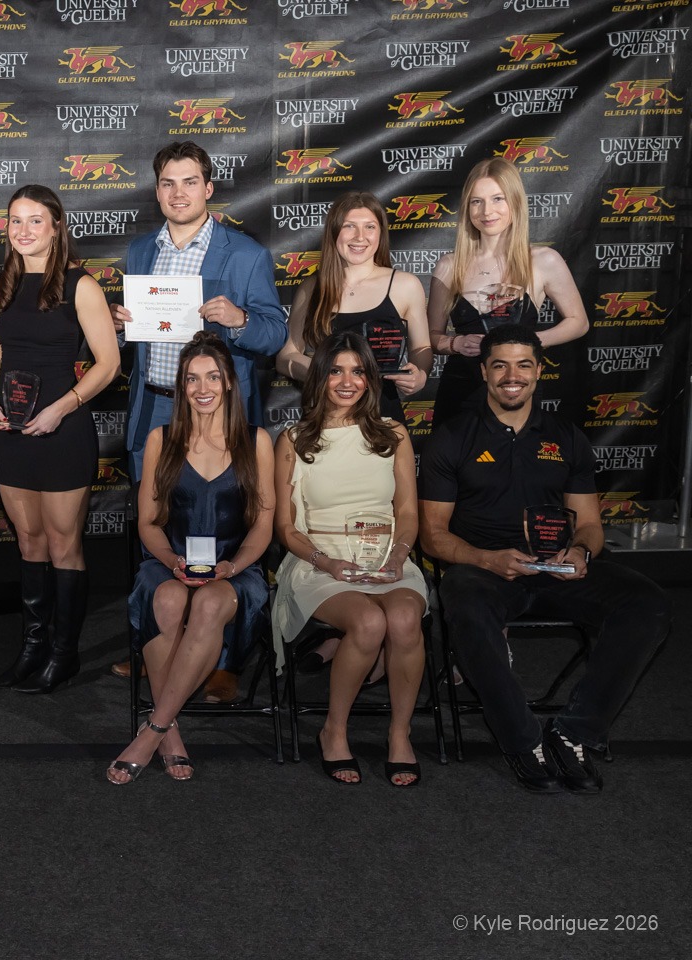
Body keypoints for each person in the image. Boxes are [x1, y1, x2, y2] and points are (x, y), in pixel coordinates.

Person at [419, 324, 668, 793]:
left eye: (523, 365)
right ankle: (523, 740)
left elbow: (591, 525)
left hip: (556, 572)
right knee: (465, 606)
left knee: (648, 603)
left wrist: (579, 551)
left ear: (538, 371)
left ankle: (574, 733)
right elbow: (432, 536)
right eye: (500, 365)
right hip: (484, 571)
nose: (512, 376)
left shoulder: (565, 437)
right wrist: (486, 559)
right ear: (484, 372)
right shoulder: (451, 439)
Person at [108, 334, 274, 784]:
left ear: (229, 383)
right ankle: (173, 733)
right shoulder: (162, 439)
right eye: (191, 378)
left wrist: (233, 567)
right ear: (180, 387)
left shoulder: (254, 441)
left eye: (213, 377)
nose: (203, 388)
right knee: (165, 600)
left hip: (234, 568)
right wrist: (170, 559)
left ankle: (155, 728)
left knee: (206, 605)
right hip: (169, 559)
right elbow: (147, 523)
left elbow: (263, 524)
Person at [271, 333, 428, 787]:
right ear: (319, 377)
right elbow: (286, 529)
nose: (347, 381)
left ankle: (400, 734)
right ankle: (333, 729)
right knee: (367, 622)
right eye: (336, 370)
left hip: (387, 555)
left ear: (370, 378)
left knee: (402, 618)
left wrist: (399, 555)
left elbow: (407, 512)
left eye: (357, 371)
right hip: (319, 560)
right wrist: (327, 562)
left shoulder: (392, 433)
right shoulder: (295, 439)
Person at [0, 185, 120, 693]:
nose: (23, 230)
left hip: (63, 432)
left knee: (64, 543)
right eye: (15, 221)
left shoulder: (80, 285)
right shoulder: (3, 284)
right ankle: (32, 646)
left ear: (56, 226)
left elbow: (109, 365)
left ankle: (64, 654)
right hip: (14, 433)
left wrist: (60, 410)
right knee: (29, 541)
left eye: (35, 220)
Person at [114, 140, 285, 479]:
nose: (178, 193)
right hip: (154, 403)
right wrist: (118, 329)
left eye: (189, 182)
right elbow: (137, 334)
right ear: (158, 192)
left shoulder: (246, 255)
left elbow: (275, 334)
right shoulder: (141, 250)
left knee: (220, 510)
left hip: (217, 408)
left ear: (207, 188)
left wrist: (241, 320)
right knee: (151, 509)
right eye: (168, 183)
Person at [427, 157, 588, 425]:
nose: (486, 211)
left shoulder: (543, 260)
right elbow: (431, 337)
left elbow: (578, 322)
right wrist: (455, 343)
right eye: (476, 201)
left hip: (516, 393)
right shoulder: (448, 265)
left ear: (514, 202)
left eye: (497, 199)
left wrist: (527, 344)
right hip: (460, 394)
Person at [277, 192, 431, 421]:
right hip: (325, 418)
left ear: (381, 233)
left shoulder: (405, 285)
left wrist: (420, 375)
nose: (360, 237)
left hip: (382, 415)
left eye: (370, 227)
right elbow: (285, 357)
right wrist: (324, 373)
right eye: (350, 226)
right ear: (334, 232)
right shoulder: (312, 288)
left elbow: (422, 350)